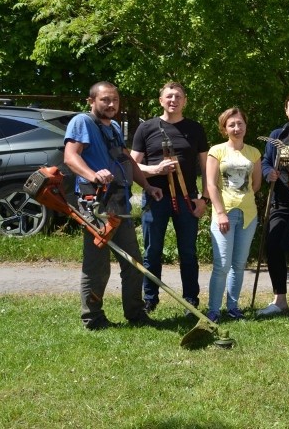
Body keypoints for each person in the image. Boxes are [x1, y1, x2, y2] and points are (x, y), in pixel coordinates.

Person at [64, 81, 163, 330]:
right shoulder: (82, 122)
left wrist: (147, 185)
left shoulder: (115, 127)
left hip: (120, 202)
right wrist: (92, 174)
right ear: (92, 101)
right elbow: (70, 156)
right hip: (95, 203)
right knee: (97, 267)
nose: (111, 105)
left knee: (133, 263)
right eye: (105, 100)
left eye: (115, 100)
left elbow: (127, 159)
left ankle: (135, 313)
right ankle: (92, 317)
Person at [130, 81, 209, 313]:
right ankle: (150, 298)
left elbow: (206, 168)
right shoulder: (147, 128)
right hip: (156, 197)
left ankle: (190, 300)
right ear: (161, 101)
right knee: (153, 249)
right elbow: (132, 165)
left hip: (187, 198)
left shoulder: (195, 129)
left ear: (184, 101)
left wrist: (204, 198)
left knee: (188, 250)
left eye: (178, 96)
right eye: (169, 96)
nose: (173, 100)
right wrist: (156, 170)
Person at [206, 107, 262, 323]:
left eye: (240, 124)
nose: (236, 128)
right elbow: (210, 185)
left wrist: (242, 197)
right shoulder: (216, 151)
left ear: (245, 126)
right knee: (222, 264)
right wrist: (220, 212)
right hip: (224, 214)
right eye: (231, 124)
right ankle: (213, 309)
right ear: (224, 128)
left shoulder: (254, 153)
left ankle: (233, 307)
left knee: (239, 264)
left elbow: (256, 184)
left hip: (248, 214)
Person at [256, 92, 289, 317]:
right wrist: (269, 173)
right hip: (281, 200)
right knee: (273, 244)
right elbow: (266, 162)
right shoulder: (278, 135)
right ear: (286, 112)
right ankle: (280, 299)